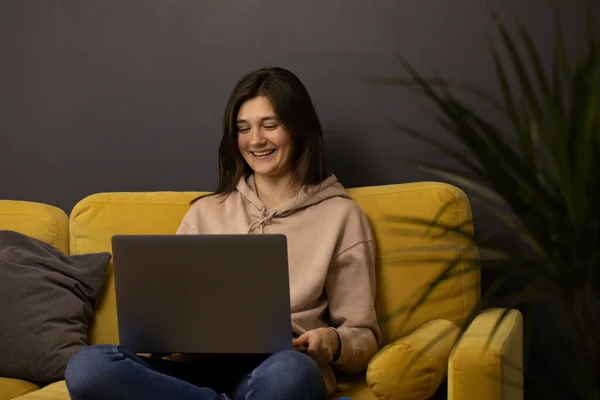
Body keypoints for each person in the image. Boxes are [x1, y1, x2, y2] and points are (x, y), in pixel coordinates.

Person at [65, 67, 381, 400]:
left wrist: (332, 343)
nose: (255, 140)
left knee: (293, 374)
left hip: (275, 368)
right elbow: (169, 312)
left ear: (299, 129)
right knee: (87, 366)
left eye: (269, 126)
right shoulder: (204, 212)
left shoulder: (340, 215)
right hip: (188, 370)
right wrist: (156, 337)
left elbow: (364, 336)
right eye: (243, 129)